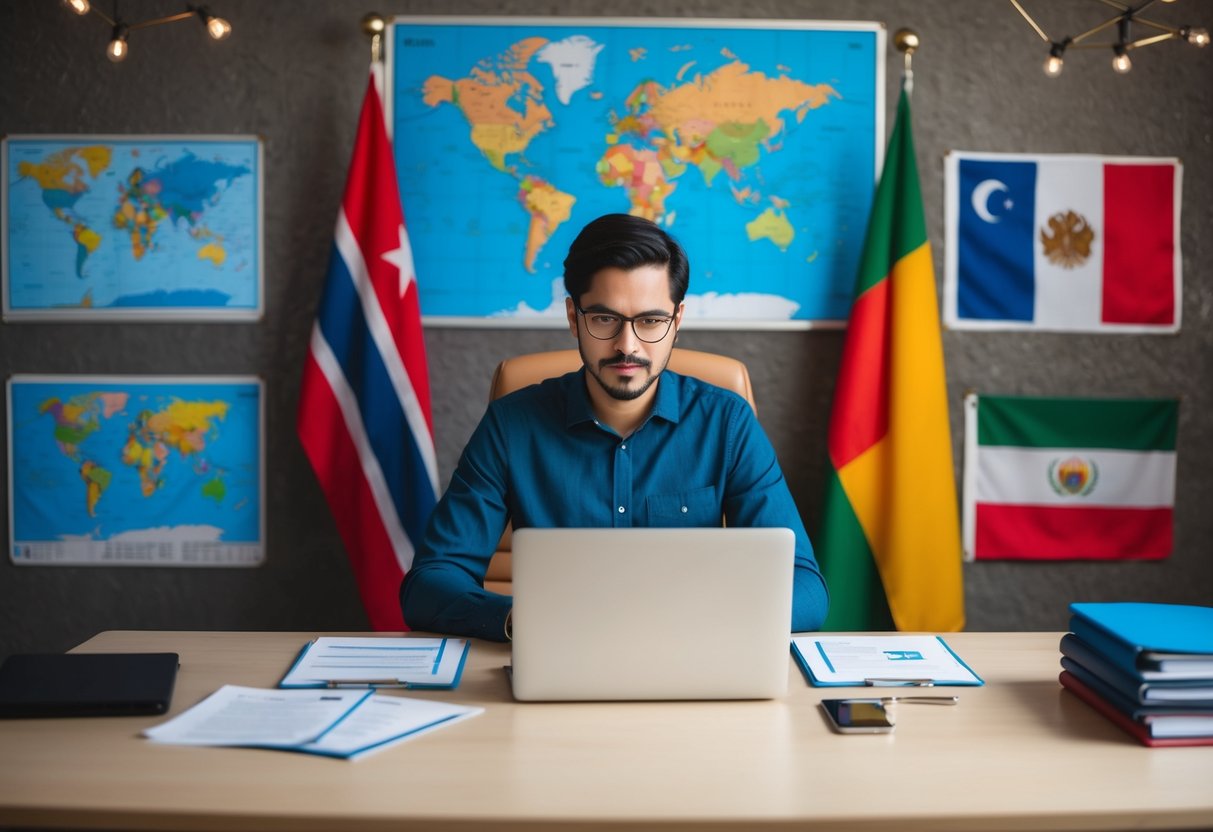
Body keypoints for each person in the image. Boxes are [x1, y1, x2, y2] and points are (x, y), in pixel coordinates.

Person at [399, 213, 829, 639]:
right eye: (604, 319)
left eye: (650, 321)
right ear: (574, 318)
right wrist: (522, 622)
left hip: (690, 658)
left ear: (676, 322)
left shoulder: (727, 423)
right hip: (556, 658)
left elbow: (806, 589)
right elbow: (431, 582)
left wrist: (699, 621)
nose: (628, 345)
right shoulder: (511, 425)